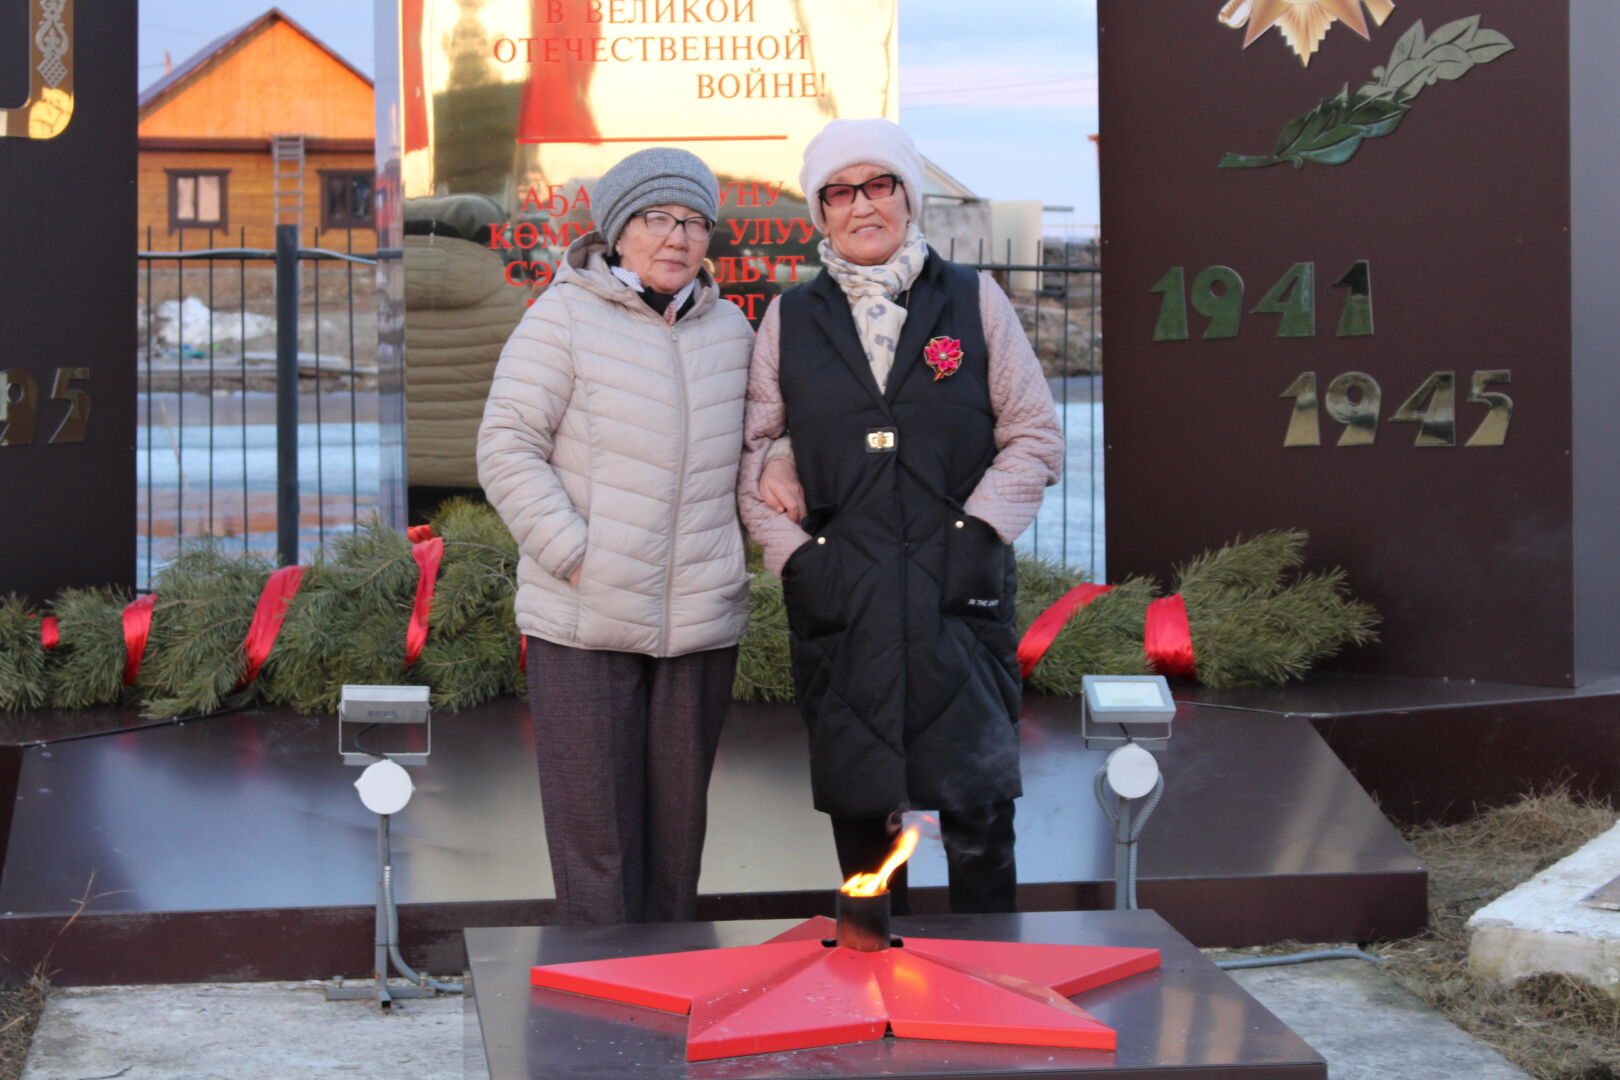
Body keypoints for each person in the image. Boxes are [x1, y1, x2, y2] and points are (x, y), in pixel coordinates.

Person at [737, 119, 1064, 914]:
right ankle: (876, 972)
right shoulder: (790, 319)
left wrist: (977, 535)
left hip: (959, 604)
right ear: (820, 211)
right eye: (839, 192)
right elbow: (748, 458)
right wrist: (802, 559)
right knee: (866, 834)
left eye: (878, 185)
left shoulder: (973, 299)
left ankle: (990, 977)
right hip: (845, 609)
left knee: (979, 820)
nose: (862, 206)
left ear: (908, 197)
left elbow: (1034, 435)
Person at [477, 148, 754, 924]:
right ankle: (598, 986)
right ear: (618, 230)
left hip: (697, 619)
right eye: (657, 217)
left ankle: (668, 980)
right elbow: (506, 446)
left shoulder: (731, 328)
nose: (678, 237)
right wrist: (576, 555)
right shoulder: (562, 318)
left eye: (695, 221)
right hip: (584, 619)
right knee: (596, 841)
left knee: (677, 838)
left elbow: (762, 440)